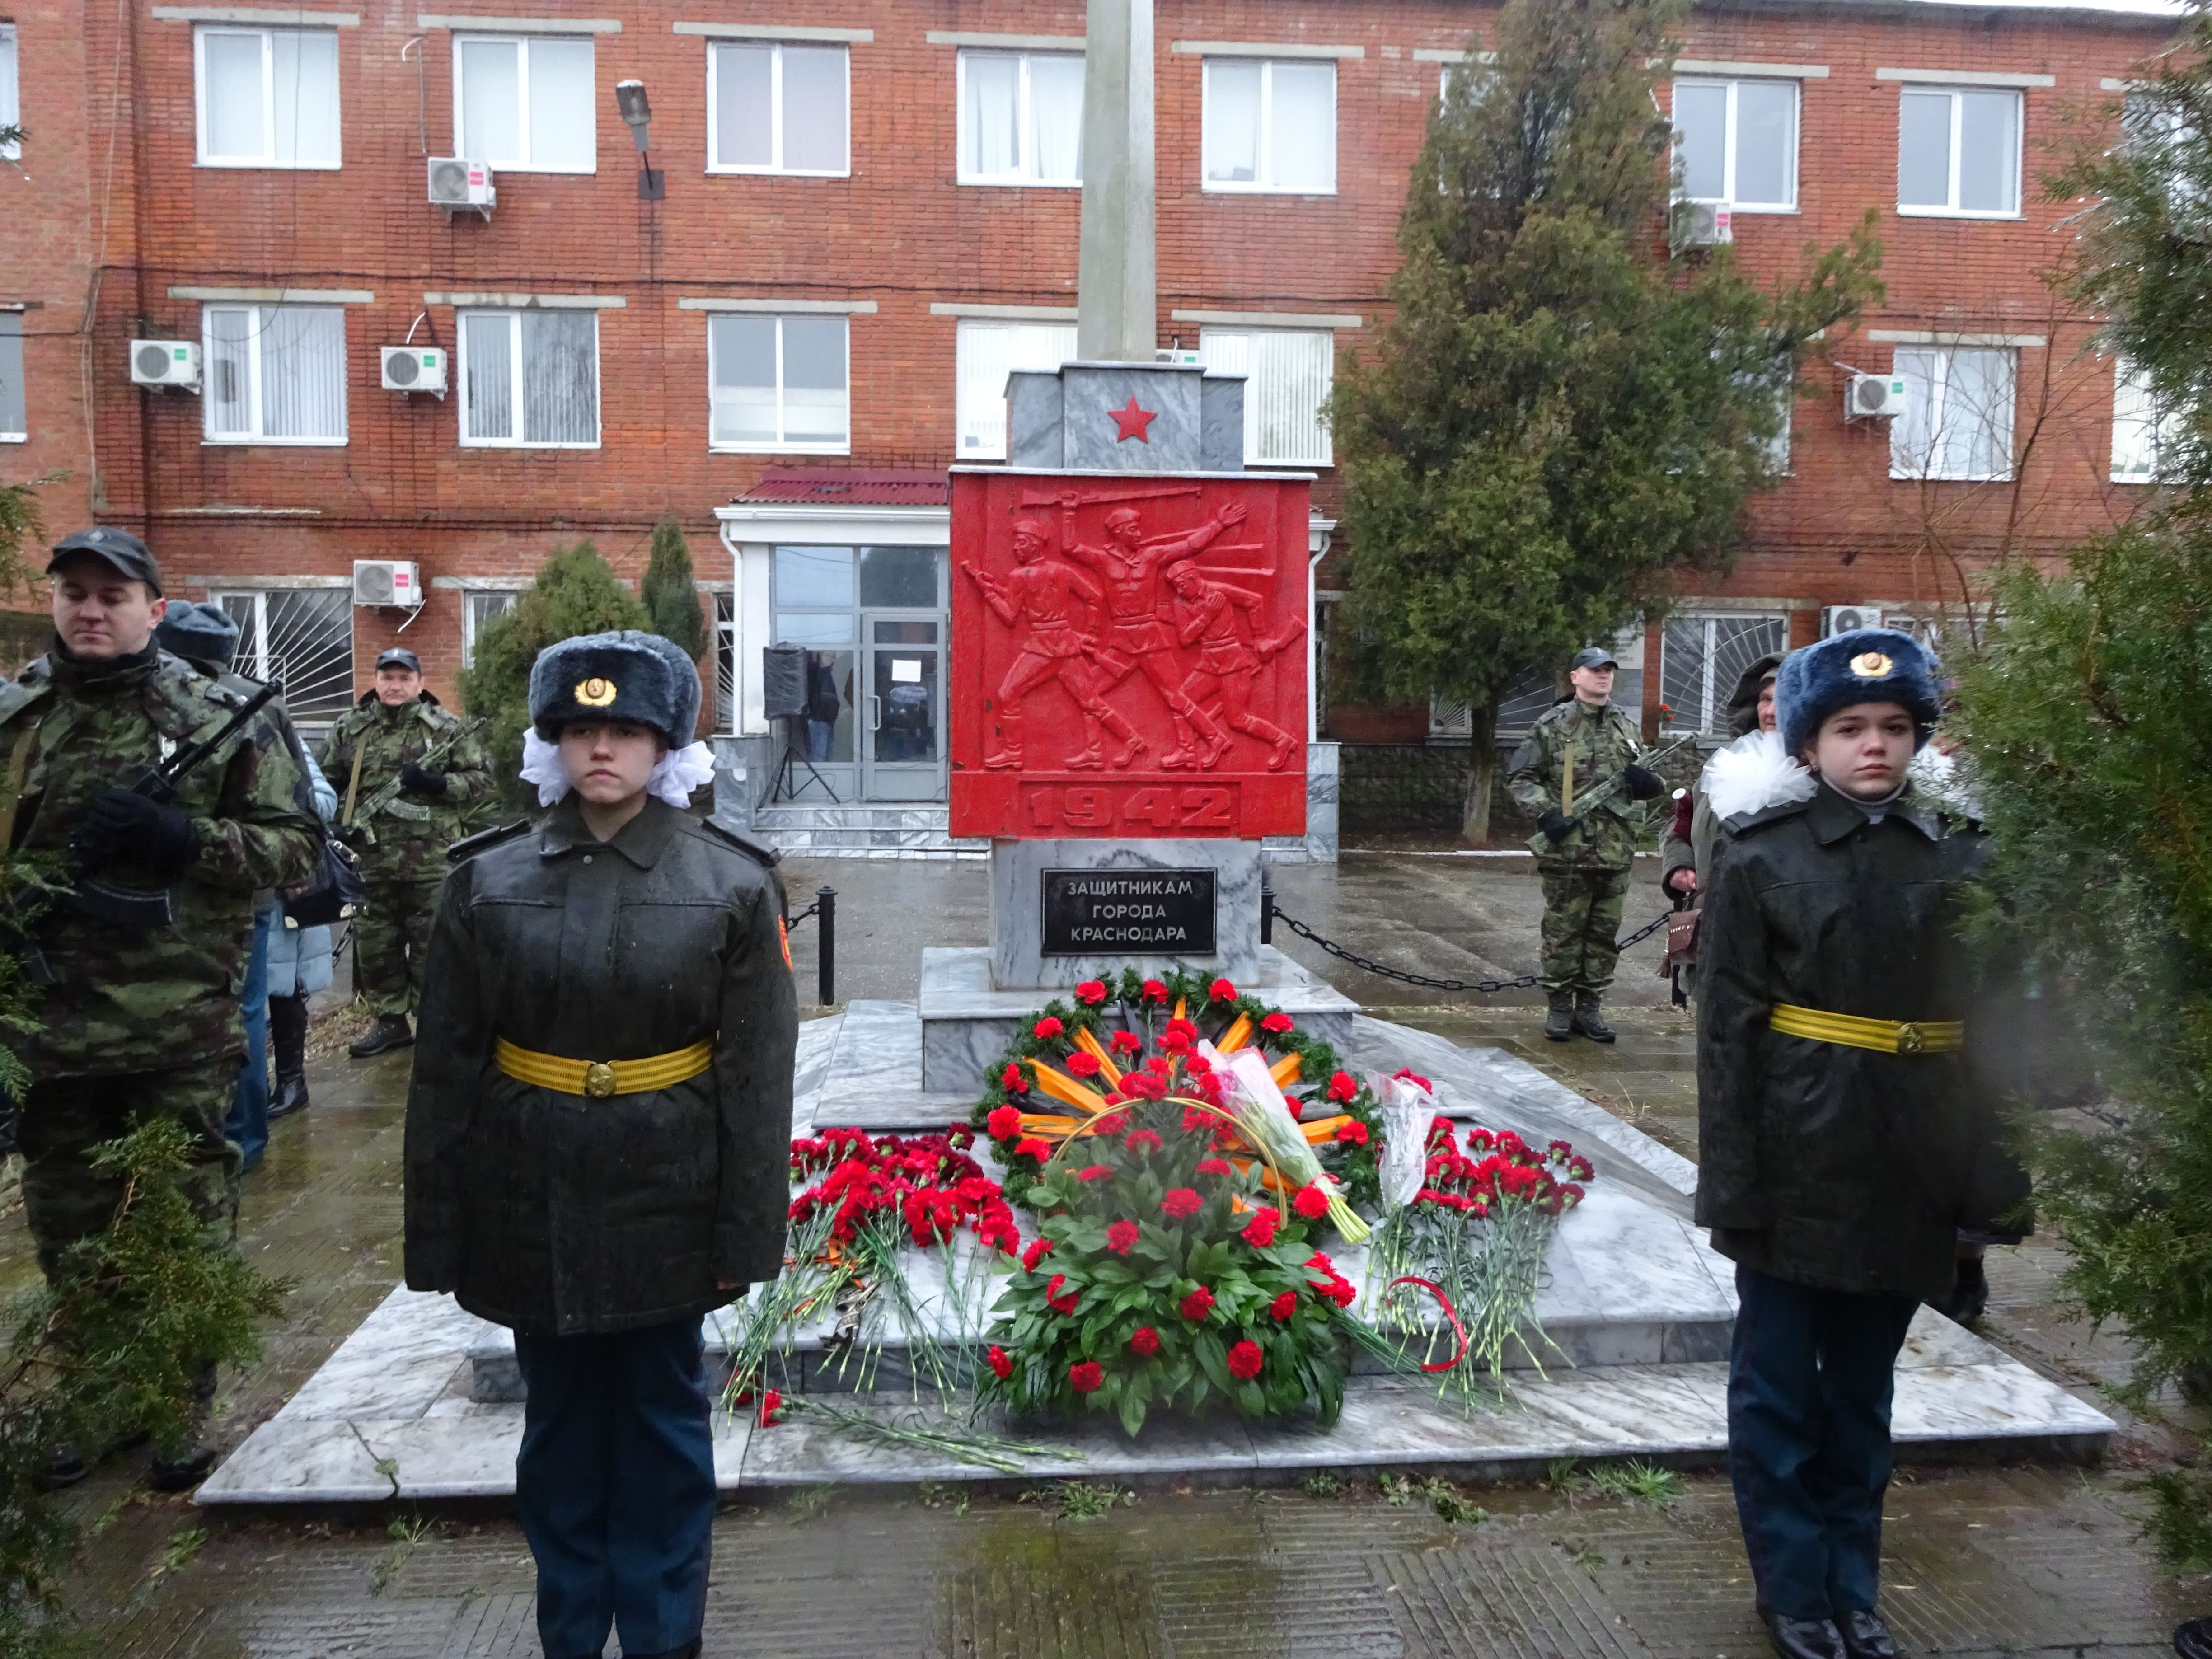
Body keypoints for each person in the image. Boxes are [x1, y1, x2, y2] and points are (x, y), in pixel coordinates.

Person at [404, 629, 796, 1659]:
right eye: (581, 728)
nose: (602, 750)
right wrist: (438, 1230)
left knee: (667, 1436)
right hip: (530, 1195)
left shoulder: (733, 886)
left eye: (625, 728)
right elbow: (444, 1067)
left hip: (670, 1195)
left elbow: (756, 1080)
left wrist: (749, 1232)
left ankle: (664, 1637)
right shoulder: (483, 884)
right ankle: (571, 1631)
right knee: (562, 1438)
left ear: (664, 743)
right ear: (552, 741)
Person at [1695, 628, 2030, 1659]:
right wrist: (1732, 1184)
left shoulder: (1963, 852)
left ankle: (1852, 1585)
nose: (1873, 745)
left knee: (1863, 1395)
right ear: (1806, 743)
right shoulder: (1760, 856)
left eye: (1894, 726)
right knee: (1777, 1390)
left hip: (1909, 1160)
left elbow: (1997, 1024)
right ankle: (1792, 1588)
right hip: (1797, 1154)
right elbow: (1727, 1031)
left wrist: (1992, 1171)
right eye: (1848, 727)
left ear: (1920, 736)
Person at [2, 528, 322, 1489]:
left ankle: (178, 1404)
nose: (91, 611)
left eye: (112, 594)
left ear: (153, 605)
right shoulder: (16, 716)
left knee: (182, 1218)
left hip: (177, 1024)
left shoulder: (221, 715)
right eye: (74, 594)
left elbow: (299, 852)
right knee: (70, 1225)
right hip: (47, 1029)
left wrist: (183, 840)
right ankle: (97, 1398)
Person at [321, 646, 492, 1058]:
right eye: (387, 677)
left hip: (432, 858)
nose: (395, 686)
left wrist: (438, 785)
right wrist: (336, 822)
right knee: (376, 944)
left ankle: (435, 1021)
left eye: (404, 678)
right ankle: (391, 1023)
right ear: (376, 680)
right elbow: (326, 782)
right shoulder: (351, 728)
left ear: (419, 682)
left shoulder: (446, 727)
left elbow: (482, 780)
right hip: (372, 859)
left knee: (434, 943)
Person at [1505, 645, 1667, 1043]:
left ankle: (1590, 1010)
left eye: (1609, 670)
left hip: (1615, 852)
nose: (1603, 676)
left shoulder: (1626, 729)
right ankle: (1560, 1009)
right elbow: (1521, 778)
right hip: (1568, 852)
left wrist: (1651, 786)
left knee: (1603, 937)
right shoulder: (1551, 726)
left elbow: (1647, 780)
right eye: (1594, 670)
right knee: (1563, 934)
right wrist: (1546, 814)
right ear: (1575, 677)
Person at [1660, 650, 1786, 904]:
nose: (1771, 711)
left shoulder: (1822, 770)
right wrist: (1678, 865)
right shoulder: (1727, 761)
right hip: (1712, 921)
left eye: (1785, 700)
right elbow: (1680, 825)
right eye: (1765, 699)